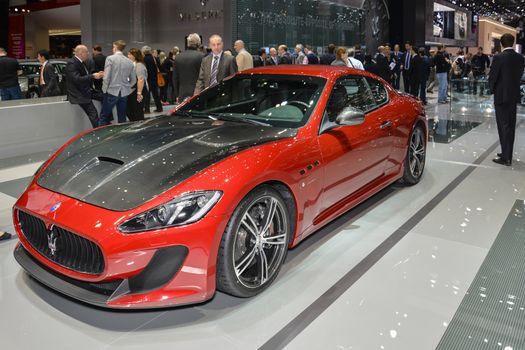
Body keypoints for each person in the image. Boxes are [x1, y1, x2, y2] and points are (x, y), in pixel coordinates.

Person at [489, 33, 525, 166]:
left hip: (501, 96)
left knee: (503, 126)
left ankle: (506, 157)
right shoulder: (520, 58)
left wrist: (491, 89)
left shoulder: (499, 57)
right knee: (510, 125)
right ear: (513, 43)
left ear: (502, 43)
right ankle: (507, 152)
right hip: (514, 95)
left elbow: (493, 77)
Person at [65, 44, 104, 128]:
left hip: (87, 91)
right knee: (93, 114)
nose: (88, 53)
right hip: (79, 94)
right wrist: (93, 76)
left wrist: (97, 75)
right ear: (81, 53)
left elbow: (85, 77)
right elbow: (77, 79)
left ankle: (106, 121)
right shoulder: (72, 63)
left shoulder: (81, 62)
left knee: (105, 97)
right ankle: (99, 132)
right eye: (86, 52)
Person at [99, 40, 136, 126]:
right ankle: (122, 136)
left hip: (112, 91)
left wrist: (104, 90)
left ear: (115, 47)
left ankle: (101, 137)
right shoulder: (129, 61)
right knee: (122, 117)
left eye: (113, 47)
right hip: (124, 92)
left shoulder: (110, 58)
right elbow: (133, 80)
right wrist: (127, 88)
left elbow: (106, 77)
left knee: (104, 116)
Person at [173, 33, 203, 103]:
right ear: (199, 43)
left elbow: (175, 78)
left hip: (182, 94)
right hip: (198, 94)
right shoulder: (202, 56)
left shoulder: (178, 57)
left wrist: (177, 94)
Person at [126, 48, 148, 122]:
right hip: (132, 91)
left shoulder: (139, 65)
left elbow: (141, 79)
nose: (128, 56)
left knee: (137, 112)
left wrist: (139, 93)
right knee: (131, 111)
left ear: (135, 56)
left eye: (130, 54)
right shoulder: (133, 64)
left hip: (139, 90)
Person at [142, 45, 163, 113]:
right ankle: (159, 108)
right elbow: (159, 67)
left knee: (147, 95)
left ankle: (147, 109)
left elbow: (144, 70)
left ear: (144, 52)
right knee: (156, 94)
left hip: (148, 79)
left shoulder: (144, 59)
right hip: (155, 78)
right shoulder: (155, 58)